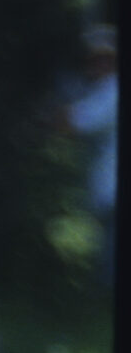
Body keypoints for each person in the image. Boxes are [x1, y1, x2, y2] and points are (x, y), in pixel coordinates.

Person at [64, 24, 118, 286]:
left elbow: (75, 123)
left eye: (102, 59)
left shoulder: (112, 92)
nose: (96, 65)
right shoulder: (103, 92)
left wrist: (41, 118)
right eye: (94, 59)